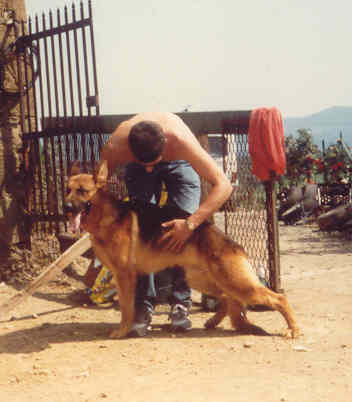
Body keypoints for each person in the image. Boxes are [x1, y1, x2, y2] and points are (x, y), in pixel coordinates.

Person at [100, 112, 233, 336]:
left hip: (178, 163)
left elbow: (224, 186)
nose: (151, 170)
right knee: (140, 233)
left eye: (154, 164)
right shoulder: (115, 147)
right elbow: (98, 187)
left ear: (165, 147)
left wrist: (190, 224)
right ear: (130, 152)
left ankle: (180, 303)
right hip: (135, 167)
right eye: (146, 164)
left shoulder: (180, 141)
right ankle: (143, 306)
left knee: (180, 230)